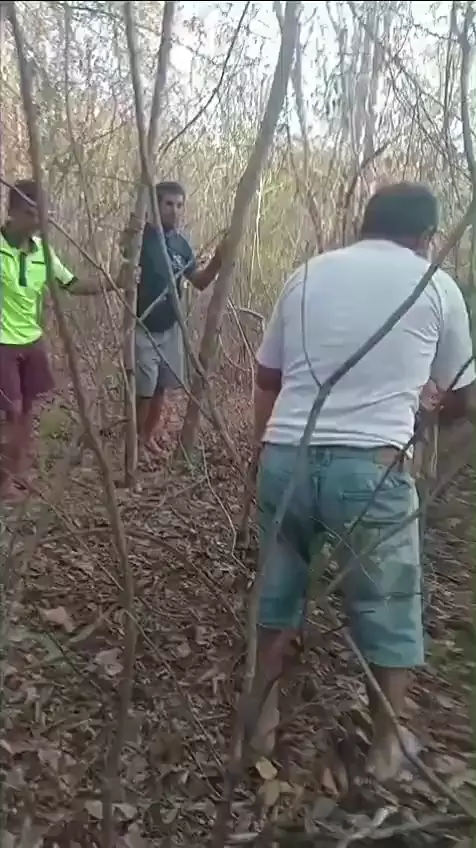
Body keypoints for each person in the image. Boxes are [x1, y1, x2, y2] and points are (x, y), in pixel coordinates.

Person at [251, 182, 475, 783]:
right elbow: (465, 395)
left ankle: (261, 726)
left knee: (275, 598)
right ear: (427, 236)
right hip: (371, 470)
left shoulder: (307, 275)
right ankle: (385, 746)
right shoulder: (435, 286)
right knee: (386, 607)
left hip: (286, 456)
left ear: (363, 223)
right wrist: (428, 416)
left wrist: (262, 453)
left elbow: (268, 377)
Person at [0, 179, 130, 501]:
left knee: (27, 411)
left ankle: (17, 471)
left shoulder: (43, 251)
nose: (37, 221)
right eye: (30, 213)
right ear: (12, 211)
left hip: (31, 340)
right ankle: (3, 481)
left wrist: (115, 282)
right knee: (12, 410)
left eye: (41, 214)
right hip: (2, 343)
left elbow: (72, 284)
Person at [124, 181, 225, 455]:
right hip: (143, 325)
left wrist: (218, 259)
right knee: (144, 390)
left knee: (161, 387)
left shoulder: (181, 245)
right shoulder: (142, 238)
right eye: (168, 204)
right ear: (156, 206)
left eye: (179, 205)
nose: (174, 210)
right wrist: (133, 228)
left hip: (171, 327)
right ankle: (134, 445)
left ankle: (147, 437)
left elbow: (199, 281)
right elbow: (125, 252)